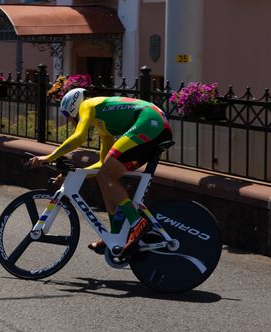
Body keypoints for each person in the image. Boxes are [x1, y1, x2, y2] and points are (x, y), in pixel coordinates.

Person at [28, 88, 173, 255]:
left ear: (73, 108)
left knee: (104, 175)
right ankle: (116, 235)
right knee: (105, 176)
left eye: (68, 116)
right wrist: (71, 174)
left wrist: (48, 157)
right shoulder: (105, 128)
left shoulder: (87, 105)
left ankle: (137, 222)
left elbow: (79, 137)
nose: (70, 122)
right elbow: (102, 165)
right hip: (155, 127)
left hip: (149, 120)